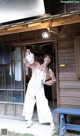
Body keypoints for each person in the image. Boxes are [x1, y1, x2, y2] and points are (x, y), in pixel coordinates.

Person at [22, 49, 56, 130]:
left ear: (50, 60)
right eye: (46, 57)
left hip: (40, 88)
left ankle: (50, 120)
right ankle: (29, 121)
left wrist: (46, 83)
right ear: (44, 58)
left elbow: (54, 80)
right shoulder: (37, 64)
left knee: (43, 103)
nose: (47, 59)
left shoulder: (49, 70)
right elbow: (27, 63)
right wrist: (27, 53)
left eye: (49, 58)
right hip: (31, 86)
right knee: (29, 102)